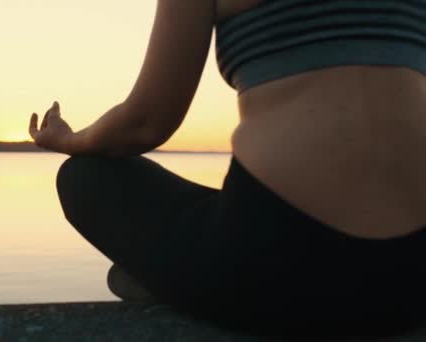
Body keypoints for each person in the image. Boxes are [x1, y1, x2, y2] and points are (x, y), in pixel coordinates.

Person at [28, 0, 426, 337]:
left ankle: (178, 284)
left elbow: (144, 122)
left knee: (86, 179)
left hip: (284, 267)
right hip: (414, 276)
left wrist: (67, 140)